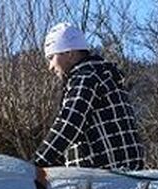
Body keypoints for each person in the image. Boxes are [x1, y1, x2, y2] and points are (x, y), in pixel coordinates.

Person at [34, 22, 145, 171]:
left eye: (51, 57)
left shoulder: (85, 78)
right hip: (126, 168)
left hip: (107, 174)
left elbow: (70, 124)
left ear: (69, 53)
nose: (50, 66)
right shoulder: (103, 75)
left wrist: (36, 163)